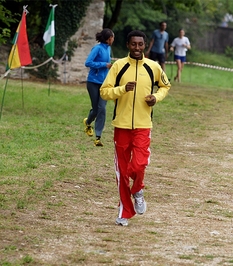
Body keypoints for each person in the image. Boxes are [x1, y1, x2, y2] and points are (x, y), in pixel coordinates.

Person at [100, 30, 171, 226]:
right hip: (121, 126)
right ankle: (124, 212)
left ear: (145, 45)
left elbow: (166, 86)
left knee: (139, 164)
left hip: (143, 125)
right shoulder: (119, 66)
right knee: (122, 172)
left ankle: (137, 188)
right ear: (128, 45)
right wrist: (122, 89)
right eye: (134, 44)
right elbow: (104, 92)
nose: (137, 48)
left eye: (140, 44)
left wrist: (156, 98)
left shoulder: (153, 67)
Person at [83, 28, 114, 147]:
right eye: (112, 37)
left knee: (102, 108)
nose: (113, 39)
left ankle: (98, 136)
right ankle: (88, 122)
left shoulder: (108, 48)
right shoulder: (97, 48)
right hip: (93, 82)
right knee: (96, 109)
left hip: (104, 83)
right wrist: (104, 65)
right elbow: (88, 62)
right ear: (108, 38)